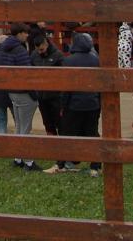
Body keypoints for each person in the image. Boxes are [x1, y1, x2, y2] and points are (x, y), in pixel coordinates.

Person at [45, 33, 101, 176]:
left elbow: (67, 87)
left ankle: (61, 164)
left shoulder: (69, 60)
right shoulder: (96, 60)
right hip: (92, 103)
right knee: (92, 134)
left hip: (74, 104)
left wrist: (63, 106)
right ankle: (95, 166)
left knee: (66, 134)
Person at [0, 23, 40, 171]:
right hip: (24, 92)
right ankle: (29, 161)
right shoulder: (20, 50)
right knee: (26, 127)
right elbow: (27, 73)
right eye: (25, 33)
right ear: (19, 33)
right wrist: (34, 94)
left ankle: (18, 157)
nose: (27, 35)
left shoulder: (4, 48)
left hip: (12, 90)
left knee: (19, 125)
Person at [30, 32, 63, 136]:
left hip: (55, 96)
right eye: (37, 50)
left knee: (60, 122)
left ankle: (62, 141)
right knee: (47, 123)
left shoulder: (58, 55)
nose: (39, 52)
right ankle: (51, 141)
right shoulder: (34, 55)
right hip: (41, 96)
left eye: (41, 49)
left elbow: (64, 75)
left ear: (46, 44)